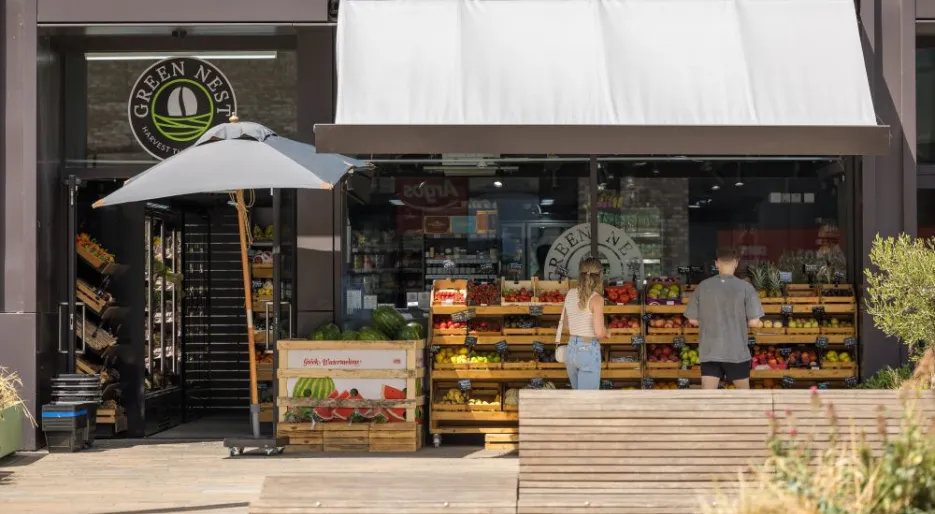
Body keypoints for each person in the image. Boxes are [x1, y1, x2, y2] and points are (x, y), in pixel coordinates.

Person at [685, 247, 764, 390]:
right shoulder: (746, 288)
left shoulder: (703, 287)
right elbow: (753, 322)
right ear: (736, 263)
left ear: (716, 263)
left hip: (710, 351)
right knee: (744, 398)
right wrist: (758, 322)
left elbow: (692, 320)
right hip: (736, 351)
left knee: (708, 399)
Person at [556, 257, 606, 390]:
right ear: (600, 276)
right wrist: (607, 331)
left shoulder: (570, 294)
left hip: (571, 349)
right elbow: (599, 333)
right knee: (587, 401)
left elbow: (566, 325)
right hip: (588, 350)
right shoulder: (597, 299)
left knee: (578, 397)